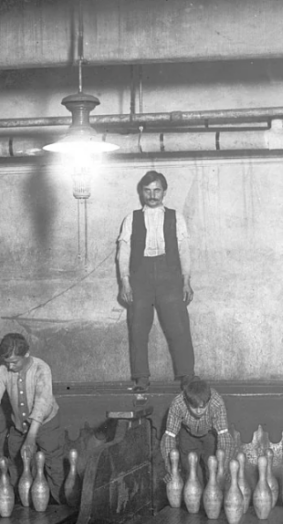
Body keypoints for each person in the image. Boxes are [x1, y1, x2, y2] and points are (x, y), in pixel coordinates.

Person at [116, 170, 195, 393]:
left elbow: (184, 250)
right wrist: (125, 282)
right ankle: (141, 378)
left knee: (179, 327)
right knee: (138, 329)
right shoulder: (131, 219)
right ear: (142, 192)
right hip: (140, 278)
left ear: (164, 192)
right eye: (148, 190)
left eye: (157, 190)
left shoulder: (175, 217)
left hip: (169, 276)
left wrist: (186, 281)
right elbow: (123, 252)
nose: (152, 195)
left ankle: (187, 375)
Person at [0, 333, 64, 502]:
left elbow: (42, 404)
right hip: (19, 426)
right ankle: (22, 503)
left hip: (46, 424)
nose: (9, 367)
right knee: (17, 461)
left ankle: (60, 504)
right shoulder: (2, 371)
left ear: (27, 354)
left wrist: (31, 437)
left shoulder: (41, 368)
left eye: (14, 362)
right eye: (6, 362)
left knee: (54, 464)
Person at [160, 376, 235, 477]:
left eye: (202, 407)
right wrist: (170, 467)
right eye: (194, 407)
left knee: (213, 471)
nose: (198, 411)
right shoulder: (178, 404)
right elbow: (169, 437)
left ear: (208, 401)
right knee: (191, 474)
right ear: (186, 401)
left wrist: (223, 467)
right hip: (187, 436)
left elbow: (224, 437)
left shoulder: (216, 403)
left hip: (210, 436)